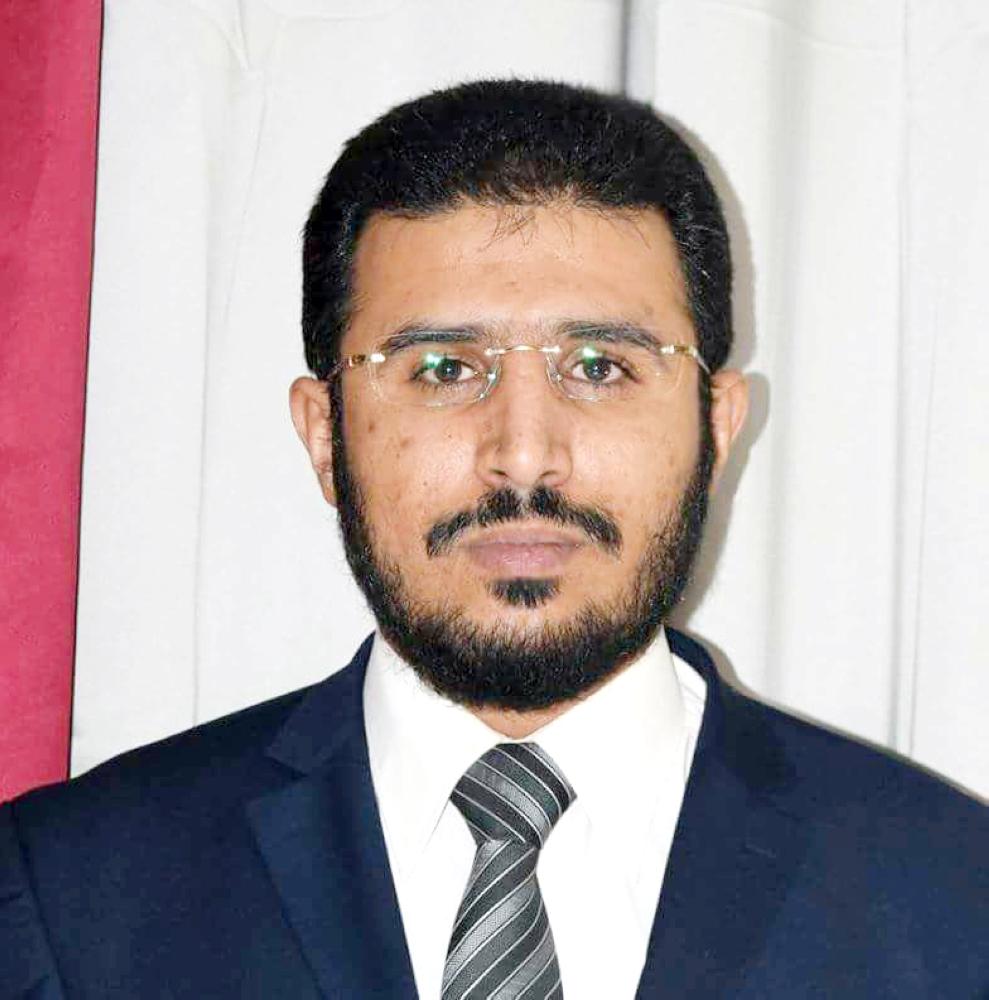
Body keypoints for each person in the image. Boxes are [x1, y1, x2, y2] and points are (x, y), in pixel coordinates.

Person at [1, 79, 985, 1000]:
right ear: (323, 434)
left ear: (716, 428)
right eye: (441, 368)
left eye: (598, 366)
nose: (522, 456)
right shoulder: (69, 894)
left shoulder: (950, 897)